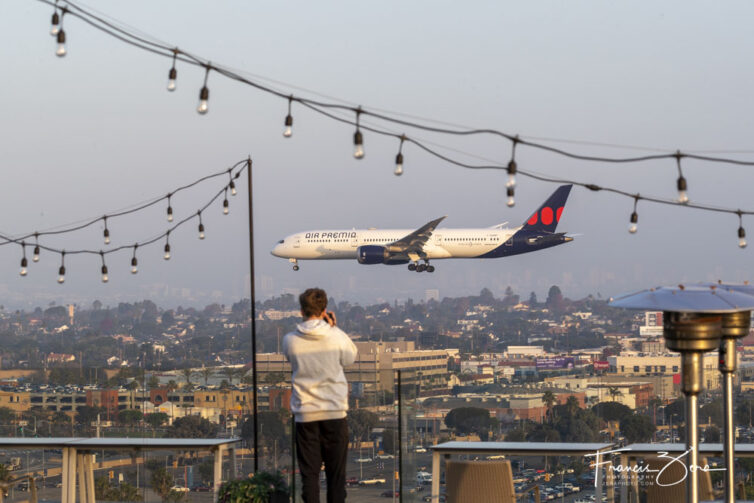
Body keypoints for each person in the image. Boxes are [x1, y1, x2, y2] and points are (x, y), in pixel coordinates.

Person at [283, 287, 358, 503]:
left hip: (305, 416)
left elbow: (292, 359)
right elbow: (350, 358)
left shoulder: (290, 340)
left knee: (310, 477)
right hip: (334, 414)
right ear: (325, 310)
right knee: (336, 478)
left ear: (301, 311)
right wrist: (333, 327)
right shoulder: (336, 337)